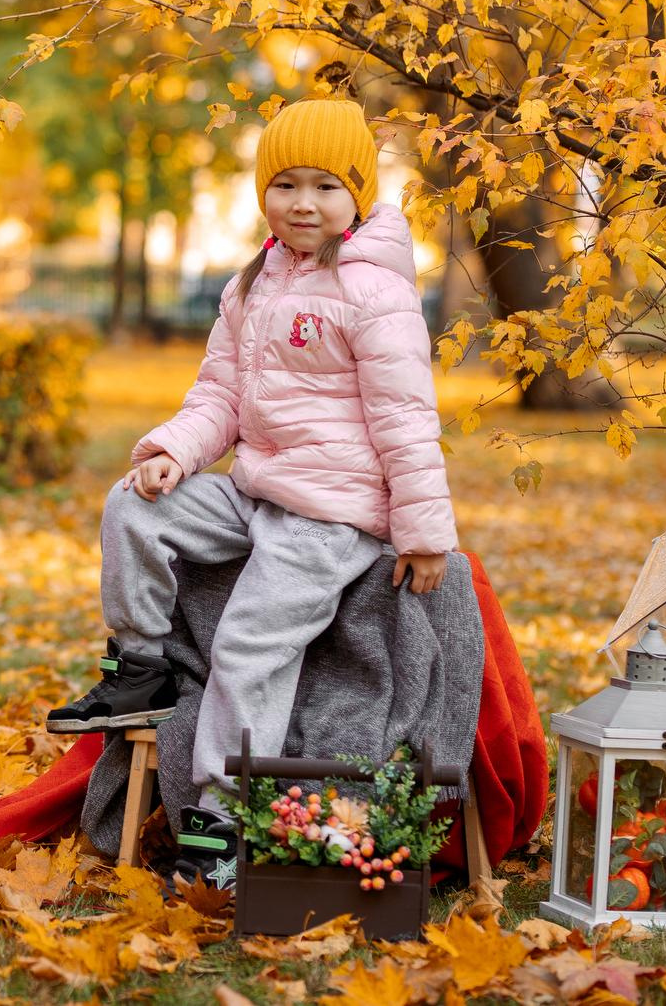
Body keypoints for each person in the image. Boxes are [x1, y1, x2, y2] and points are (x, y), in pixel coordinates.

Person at [43, 92, 460, 885]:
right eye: (286, 184)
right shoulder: (253, 285)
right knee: (135, 502)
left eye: (326, 185)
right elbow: (219, 397)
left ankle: (221, 820)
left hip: (329, 518)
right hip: (257, 492)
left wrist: (423, 531)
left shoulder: (375, 291)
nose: (304, 202)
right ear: (264, 193)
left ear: (359, 194)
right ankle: (140, 664)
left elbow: (408, 418)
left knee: (246, 645)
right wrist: (174, 450)